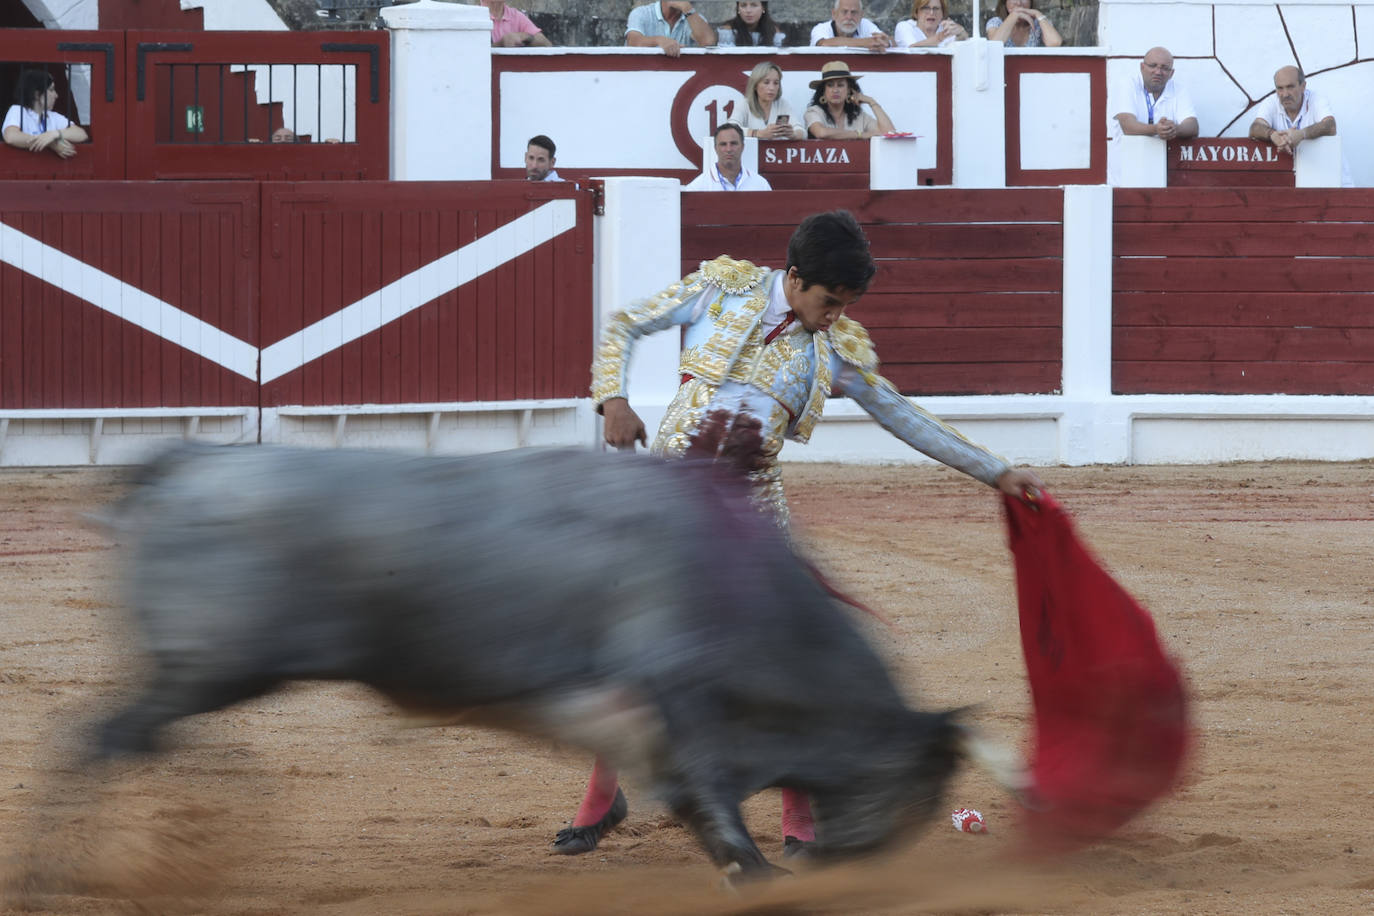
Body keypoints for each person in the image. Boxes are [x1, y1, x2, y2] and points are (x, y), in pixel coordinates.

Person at [553, 210, 1043, 858]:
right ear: (792, 278)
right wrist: (611, 399)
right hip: (667, 507)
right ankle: (604, 795)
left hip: (751, 518)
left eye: (845, 306)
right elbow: (624, 324)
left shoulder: (836, 350)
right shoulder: (720, 290)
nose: (834, 316)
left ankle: (800, 823)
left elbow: (903, 416)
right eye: (828, 302)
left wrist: (997, 472)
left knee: (786, 661)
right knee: (632, 650)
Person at [1248, 65, 1353, 187]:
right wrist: (1273, 135)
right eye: (1280, 88)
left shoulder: (1316, 99)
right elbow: (1254, 128)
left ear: (1303, 86)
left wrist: (1301, 134)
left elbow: (1330, 126)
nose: (1285, 94)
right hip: (1296, 187)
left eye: (1290, 87)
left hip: (1333, 183)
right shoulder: (1271, 102)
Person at [1110, 47, 1198, 143]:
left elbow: (1193, 126)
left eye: (1164, 68)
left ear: (1171, 73)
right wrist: (1157, 129)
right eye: (1153, 66)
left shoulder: (1179, 89)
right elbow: (1128, 126)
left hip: (1165, 156)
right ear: (1142, 67)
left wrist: (1174, 129)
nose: (1158, 72)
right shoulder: (1127, 84)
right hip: (1128, 155)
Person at [3, 69, 88, 160]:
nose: (56, 95)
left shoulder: (53, 116)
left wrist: (54, 134)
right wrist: (50, 143)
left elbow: (82, 134)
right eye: (51, 90)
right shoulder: (18, 110)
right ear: (37, 94)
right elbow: (11, 136)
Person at [804, 60, 896, 140]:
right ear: (823, 91)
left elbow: (889, 133)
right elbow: (821, 133)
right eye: (830, 85)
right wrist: (860, 135)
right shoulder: (814, 111)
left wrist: (871, 101)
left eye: (840, 85)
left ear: (849, 90)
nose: (835, 90)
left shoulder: (859, 116)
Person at [685, 122, 771, 191]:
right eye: (723, 144)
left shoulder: (761, 185)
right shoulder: (697, 188)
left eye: (733, 143)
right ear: (715, 148)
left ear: (743, 147)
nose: (728, 149)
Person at [734, 60, 805, 141]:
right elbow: (731, 128)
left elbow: (802, 131)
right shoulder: (745, 104)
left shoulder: (782, 104)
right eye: (766, 82)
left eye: (776, 83)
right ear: (755, 85)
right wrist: (758, 133)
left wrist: (793, 134)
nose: (772, 88)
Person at [626, 1, 717, 57]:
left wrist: (687, 8)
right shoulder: (641, 13)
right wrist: (659, 41)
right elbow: (633, 42)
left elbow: (709, 42)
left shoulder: (692, 16)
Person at [811, 0, 891, 53]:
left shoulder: (865, 24)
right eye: (844, 12)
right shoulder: (821, 28)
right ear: (834, 14)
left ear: (861, 15)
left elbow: (888, 40)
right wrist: (865, 42)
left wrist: (885, 42)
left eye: (854, 12)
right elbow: (824, 43)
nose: (849, 17)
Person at [985, 0, 1062, 47]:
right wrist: (1014, 15)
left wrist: (1038, 14)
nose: (1018, 3)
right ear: (1005, 2)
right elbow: (994, 44)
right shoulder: (997, 22)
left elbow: (1055, 43)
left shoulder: (1038, 23)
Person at [894, 0, 968, 48]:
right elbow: (913, 48)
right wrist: (941, 37)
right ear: (916, 13)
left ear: (942, 14)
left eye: (936, 8)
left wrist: (961, 32)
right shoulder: (905, 27)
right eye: (925, 8)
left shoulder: (946, 28)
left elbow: (961, 39)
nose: (931, 13)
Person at [482, 0, 552, 47]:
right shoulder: (475, 15)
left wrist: (523, 37)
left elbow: (546, 43)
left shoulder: (515, 15)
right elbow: (476, 53)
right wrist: (501, 43)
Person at [717, 0, 784, 48]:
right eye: (743, 5)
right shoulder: (729, 30)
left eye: (754, 5)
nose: (748, 10)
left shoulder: (773, 30)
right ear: (738, 9)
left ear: (763, 7)